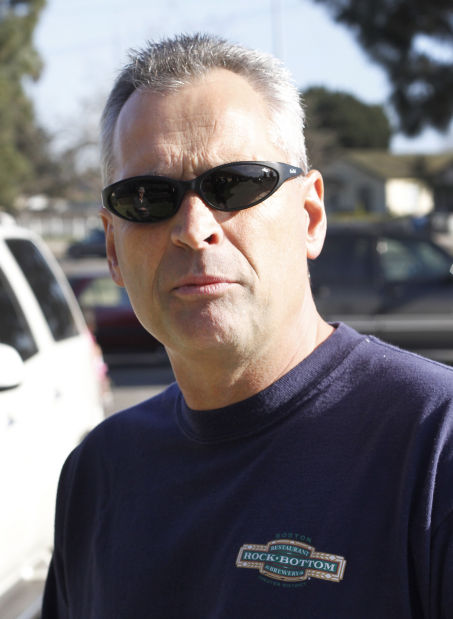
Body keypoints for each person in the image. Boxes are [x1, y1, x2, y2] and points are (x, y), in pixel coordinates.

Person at [42, 34, 453, 618]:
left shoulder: (434, 447)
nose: (194, 228)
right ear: (112, 247)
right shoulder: (98, 475)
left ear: (310, 216)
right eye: (147, 197)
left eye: (234, 184)